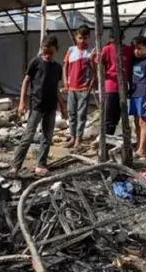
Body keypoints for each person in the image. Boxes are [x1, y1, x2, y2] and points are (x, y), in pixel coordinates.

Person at [10, 36, 66, 176]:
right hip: (36, 106)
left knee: (47, 137)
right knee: (28, 136)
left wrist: (63, 107)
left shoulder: (57, 67)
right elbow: (26, 81)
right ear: (41, 49)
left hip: (51, 108)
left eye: (50, 53)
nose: (47, 55)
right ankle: (15, 166)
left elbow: (56, 89)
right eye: (44, 52)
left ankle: (41, 165)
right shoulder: (36, 62)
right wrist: (22, 102)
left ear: (56, 50)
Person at [62, 25, 96, 149]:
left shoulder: (91, 51)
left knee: (81, 115)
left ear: (88, 38)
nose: (82, 41)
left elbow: (94, 70)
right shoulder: (71, 50)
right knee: (71, 114)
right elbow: (65, 67)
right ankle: (72, 137)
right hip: (72, 88)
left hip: (83, 89)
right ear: (76, 37)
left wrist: (90, 85)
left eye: (85, 38)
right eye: (80, 38)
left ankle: (78, 139)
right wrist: (65, 83)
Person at [101, 29, 134, 135]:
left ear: (123, 37)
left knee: (118, 115)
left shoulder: (128, 50)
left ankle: (112, 135)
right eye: (113, 38)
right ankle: (107, 136)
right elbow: (99, 63)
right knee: (109, 114)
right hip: (111, 85)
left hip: (123, 86)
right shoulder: (107, 49)